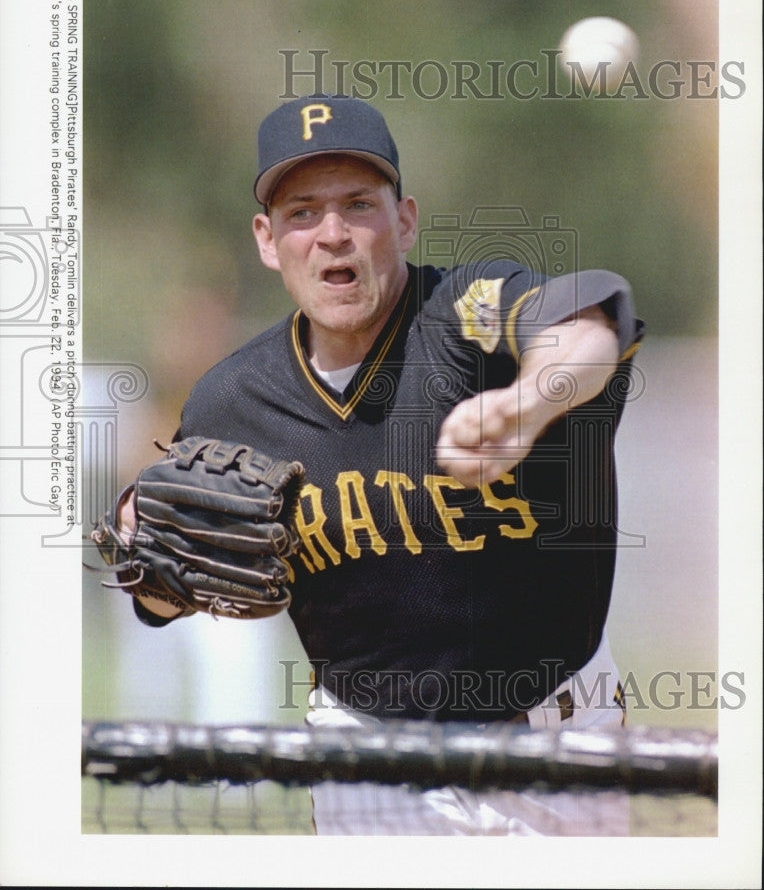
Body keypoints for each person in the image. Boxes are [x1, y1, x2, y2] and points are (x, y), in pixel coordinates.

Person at [112, 94, 644, 834]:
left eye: (358, 204)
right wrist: (145, 547)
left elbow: (590, 324)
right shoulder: (233, 400)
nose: (332, 234)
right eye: (302, 212)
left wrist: (526, 404)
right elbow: (160, 598)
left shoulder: (465, 315)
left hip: (558, 751)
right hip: (367, 767)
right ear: (267, 240)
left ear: (405, 219)